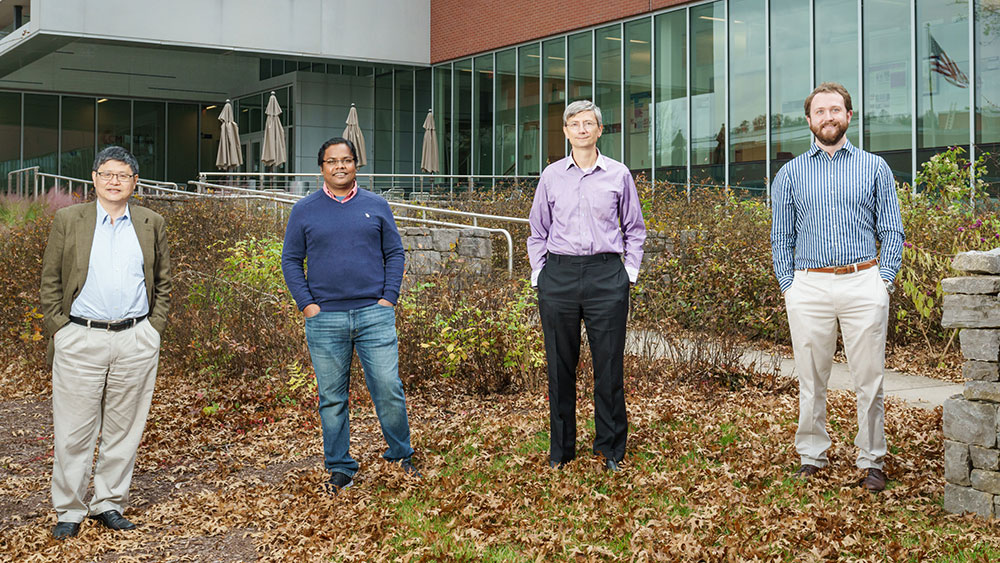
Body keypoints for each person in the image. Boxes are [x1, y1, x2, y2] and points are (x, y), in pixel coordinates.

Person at [770, 82, 904, 492]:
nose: (828, 117)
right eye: (820, 111)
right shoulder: (790, 174)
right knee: (811, 379)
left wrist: (883, 281)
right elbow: (781, 237)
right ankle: (812, 455)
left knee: (870, 379)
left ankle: (873, 460)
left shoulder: (875, 167)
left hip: (864, 281)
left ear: (849, 115)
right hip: (809, 286)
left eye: (836, 110)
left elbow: (892, 229)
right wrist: (789, 285)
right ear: (809, 120)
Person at [40, 146, 171, 539]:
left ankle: (109, 503)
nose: (115, 181)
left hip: (135, 339)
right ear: (94, 178)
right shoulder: (69, 219)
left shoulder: (151, 222)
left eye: (123, 175)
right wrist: (61, 329)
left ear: (135, 182)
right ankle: (69, 509)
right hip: (80, 337)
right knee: (74, 431)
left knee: (124, 429)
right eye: (107, 173)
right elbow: (50, 282)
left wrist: (153, 328)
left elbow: (163, 282)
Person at [281, 137, 418, 492]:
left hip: (374, 314)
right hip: (325, 319)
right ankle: (341, 467)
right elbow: (291, 261)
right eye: (332, 161)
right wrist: (308, 305)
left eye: (346, 160)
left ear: (357, 164)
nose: (339, 166)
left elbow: (396, 254)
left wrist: (388, 298)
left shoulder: (376, 205)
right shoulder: (304, 211)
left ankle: (401, 456)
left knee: (388, 388)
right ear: (322, 167)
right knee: (332, 398)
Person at [527, 100, 646, 472]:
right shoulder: (550, 176)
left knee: (608, 366)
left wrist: (627, 274)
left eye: (588, 123)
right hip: (559, 277)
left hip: (606, 276)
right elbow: (536, 231)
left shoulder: (618, 174)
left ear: (599, 130)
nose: (581, 129)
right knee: (559, 368)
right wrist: (540, 274)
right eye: (574, 124)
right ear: (565, 132)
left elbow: (635, 230)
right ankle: (561, 451)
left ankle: (610, 449)